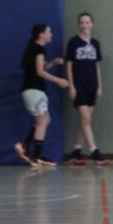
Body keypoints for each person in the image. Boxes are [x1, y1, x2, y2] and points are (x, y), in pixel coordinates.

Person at [14, 23, 68, 169]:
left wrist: (53, 63)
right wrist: (59, 80)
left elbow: (40, 67)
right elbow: (40, 72)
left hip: (31, 91)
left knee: (44, 120)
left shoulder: (33, 49)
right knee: (42, 122)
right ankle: (37, 156)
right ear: (41, 34)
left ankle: (25, 144)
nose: (51, 34)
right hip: (34, 90)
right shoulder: (38, 49)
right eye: (49, 32)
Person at [65, 11, 107, 167]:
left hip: (92, 85)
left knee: (85, 120)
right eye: (82, 22)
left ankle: (76, 152)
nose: (84, 25)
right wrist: (71, 86)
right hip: (79, 85)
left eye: (87, 22)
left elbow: (97, 66)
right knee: (86, 119)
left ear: (92, 24)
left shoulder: (95, 43)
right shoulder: (73, 43)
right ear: (79, 25)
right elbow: (69, 65)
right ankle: (95, 152)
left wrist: (99, 86)